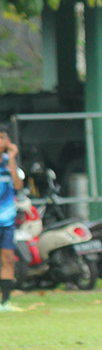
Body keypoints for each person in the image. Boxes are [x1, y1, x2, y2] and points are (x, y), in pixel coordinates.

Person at [0, 124, 23, 311]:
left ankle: (5, 302)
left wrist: (13, 160)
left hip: (7, 219)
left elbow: (18, 185)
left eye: (3, 138)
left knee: (7, 257)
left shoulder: (9, 162)